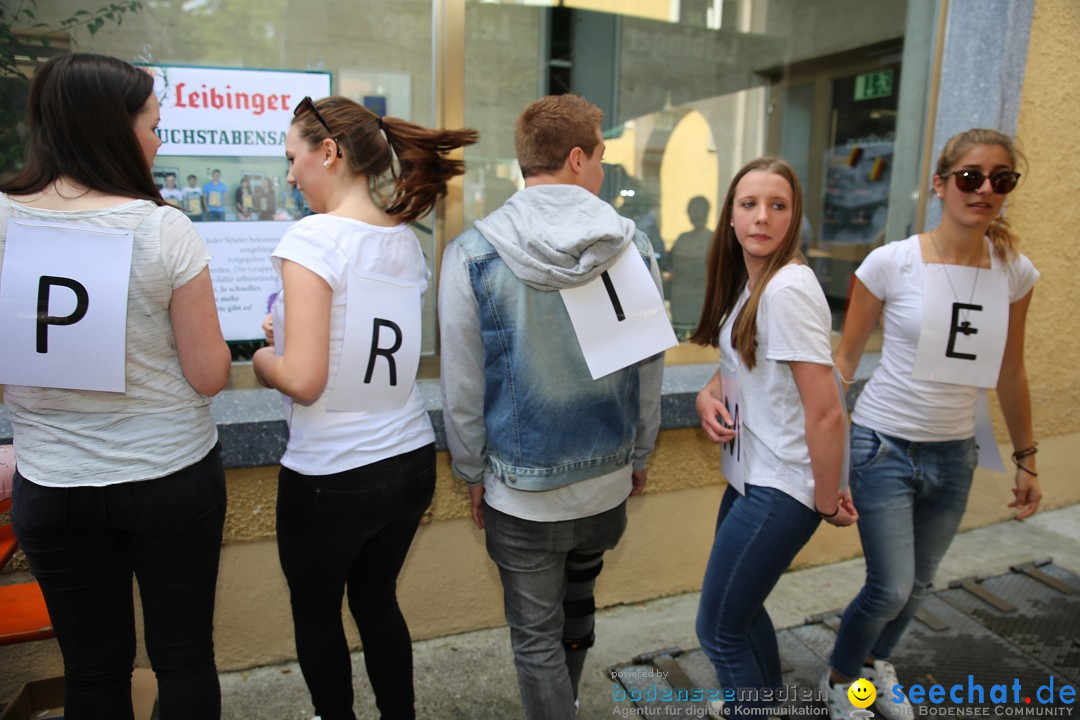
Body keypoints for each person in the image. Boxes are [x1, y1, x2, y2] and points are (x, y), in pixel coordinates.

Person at [0, 53, 230, 719]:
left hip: (53, 485)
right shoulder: (161, 229)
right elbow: (210, 374)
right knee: (183, 656)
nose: (160, 141)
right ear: (112, 129)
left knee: (93, 672)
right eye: (153, 125)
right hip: (169, 479)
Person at [439, 94, 665, 720]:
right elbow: (648, 369)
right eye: (599, 159)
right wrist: (639, 453)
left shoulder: (471, 254)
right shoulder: (631, 247)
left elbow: (461, 388)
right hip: (605, 487)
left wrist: (472, 473)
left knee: (535, 637)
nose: (601, 172)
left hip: (521, 496)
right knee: (577, 608)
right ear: (575, 159)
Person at [252, 96, 476, 720]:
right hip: (406, 462)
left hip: (333, 473)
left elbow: (302, 377)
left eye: (293, 158)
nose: (290, 175)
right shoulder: (404, 240)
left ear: (329, 152)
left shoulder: (313, 238)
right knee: (376, 601)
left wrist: (262, 359)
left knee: (317, 611)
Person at [821, 129, 1041, 720]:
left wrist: (1026, 458)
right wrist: (822, 452)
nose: (984, 189)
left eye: (1001, 179)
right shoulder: (890, 262)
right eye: (970, 177)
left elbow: (1011, 371)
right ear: (940, 185)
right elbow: (845, 361)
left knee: (920, 586)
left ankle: (870, 670)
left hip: (954, 453)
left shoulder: (1014, 272)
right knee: (890, 587)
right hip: (881, 445)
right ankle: (842, 680)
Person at [690, 158, 857, 716]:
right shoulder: (754, 284)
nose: (762, 217)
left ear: (794, 217)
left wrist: (828, 498)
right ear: (731, 218)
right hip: (750, 477)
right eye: (749, 204)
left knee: (717, 631)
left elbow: (828, 411)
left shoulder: (787, 289)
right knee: (742, 614)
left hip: (781, 488)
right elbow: (742, 365)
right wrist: (704, 395)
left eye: (777, 205)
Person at [669, 195, 713, 339]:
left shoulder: (713, 239)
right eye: (692, 210)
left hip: (702, 301)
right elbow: (669, 264)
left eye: (698, 211)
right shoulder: (683, 238)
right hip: (681, 302)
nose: (695, 214)